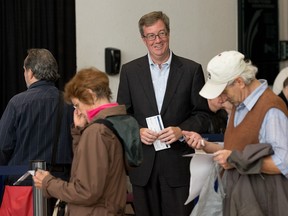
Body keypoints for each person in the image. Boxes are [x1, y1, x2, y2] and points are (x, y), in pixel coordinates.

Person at [117, 11, 210, 216]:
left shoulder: (191, 70)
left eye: (161, 33)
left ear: (168, 34)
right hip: (143, 168)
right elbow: (121, 117)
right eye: (151, 35)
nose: (157, 40)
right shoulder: (130, 71)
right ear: (144, 39)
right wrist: (137, 131)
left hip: (178, 166)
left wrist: (181, 131)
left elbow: (203, 116)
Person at [183, 50, 288, 215]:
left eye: (224, 91)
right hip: (240, 202)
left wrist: (236, 161)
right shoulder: (240, 105)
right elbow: (237, 149)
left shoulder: (271, 109)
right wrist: (205, 145)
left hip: (263, 204)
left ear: (239, 82)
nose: (222, 98)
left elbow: (284, 163)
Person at [33, 68, 127, 216]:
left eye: (77, 105)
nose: (77, 111)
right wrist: (78, 132)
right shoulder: (114, 122)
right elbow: (88, 172)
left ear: (90, 95)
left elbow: (86, 192)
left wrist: (48, 183)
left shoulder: (96, 132)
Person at [0, 48, 73, 182]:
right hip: (60, 186)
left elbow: (3, 147)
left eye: (24, 70)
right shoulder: (69, 103)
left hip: (22, 184)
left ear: (31, 73)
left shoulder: (17, 103)